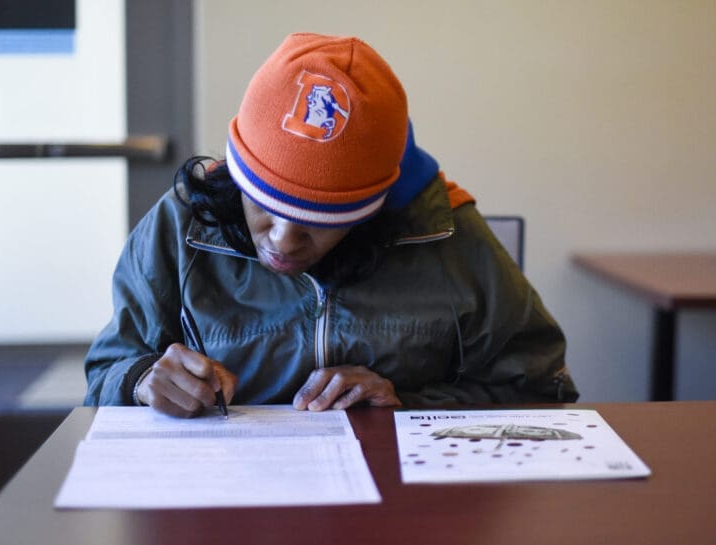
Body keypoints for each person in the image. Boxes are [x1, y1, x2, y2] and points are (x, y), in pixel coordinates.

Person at [84, 32, 578, 418]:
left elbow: (541, 388)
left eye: (320, 221)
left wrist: (409, 403)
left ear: (372, 211)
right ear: (238, 178)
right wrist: (141, 380)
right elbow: (103, 376)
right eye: (263, 204)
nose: (282, 239)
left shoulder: (447, 235)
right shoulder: (181, 225)